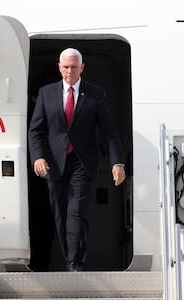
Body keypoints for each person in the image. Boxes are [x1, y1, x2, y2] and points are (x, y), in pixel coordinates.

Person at [28, 48, 126, 271]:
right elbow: (36, 131)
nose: (69, 71)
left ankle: (75, 261)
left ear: (82, 68)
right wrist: (38, 157)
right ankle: (69, 256)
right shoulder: (46, 93)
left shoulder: (95, 94)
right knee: (61, 215)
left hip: (82, 162)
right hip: (53, 163)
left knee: (76, 211)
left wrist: (117, 162)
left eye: (73, 67)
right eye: (65, 67)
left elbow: (109, 131)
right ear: (59, 67)